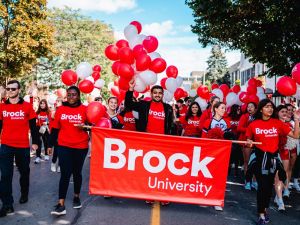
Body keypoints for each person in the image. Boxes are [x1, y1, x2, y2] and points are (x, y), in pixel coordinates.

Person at [246, 99, 300, 225]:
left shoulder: (277, 123)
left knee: (268, 187)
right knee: (262, 186)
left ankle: (264, 210)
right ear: (261, 109)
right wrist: (249, 142)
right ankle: (261, 214)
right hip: (259, 159)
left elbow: (296, 136)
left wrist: (297, 119)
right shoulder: (253, 124)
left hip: (273, 159)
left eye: (271, 107)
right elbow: (249, 140)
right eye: (266, 107)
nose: (270, 109)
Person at [125, 80, 174, 205]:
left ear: (162, 95)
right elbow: (129, 104)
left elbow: (171, 126)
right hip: (147, 142)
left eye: (159, 93)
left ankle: (163, 196)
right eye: (155, 93)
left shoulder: (168, 108)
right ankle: (149, 194)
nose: (157, 95)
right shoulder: (144, 105)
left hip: (163, 143)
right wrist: (130, 89)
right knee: (148, 170)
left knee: (163, 171)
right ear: (151, 94)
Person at [47, 86, 89, 216]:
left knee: (77, 173)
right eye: (69, 94)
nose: (71, 97)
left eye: (74, 94)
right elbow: (55, 129)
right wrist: (50, 145)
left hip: (81, 146)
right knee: (65, 173)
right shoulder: (61, 109)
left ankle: (76, 196)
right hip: (64, 146)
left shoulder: (85, 109)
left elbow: (92, 127)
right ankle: (61, 204)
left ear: (78, 96)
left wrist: (85, 127)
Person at [0, 80, 39, 218]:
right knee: (5, 175)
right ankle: (7, 205)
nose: (10, 91)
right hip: (6, 145)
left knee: (24, 172)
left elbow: (34, 127)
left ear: (19, 90)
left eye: (13, 89)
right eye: (8, 89)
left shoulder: (27, 107)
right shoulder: (2, 107)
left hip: (22, 146)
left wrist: (35, 142)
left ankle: (24, 192)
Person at [201, 101, 231, 211]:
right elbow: (203, 138)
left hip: (222, 152)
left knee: (220, 176)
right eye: (222, 108)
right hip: (210, 151)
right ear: (216, 109)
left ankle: (216, 199)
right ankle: (205, 196)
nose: (224, 110)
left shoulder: (227, 122)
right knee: (208, 175)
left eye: (225, 108)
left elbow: (229, 138)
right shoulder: (208, 122)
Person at [238, 102, 257, 190]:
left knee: (256, 163)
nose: (249, 108)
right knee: (247, 162)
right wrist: (251, 130)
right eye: (248, 106)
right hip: (245, 141)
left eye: (251, 106)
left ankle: (254, 181)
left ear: (256, 108)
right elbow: (239, 128)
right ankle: (247, 181)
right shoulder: (244, 116)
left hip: (257, 142)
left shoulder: (259, 117)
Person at [228, 104, 243, 177]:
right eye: (238, 109)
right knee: (230, 156)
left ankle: (236, 171)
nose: (239, 111)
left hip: (238, 138)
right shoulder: (229, 117)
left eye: (240, 109)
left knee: (237, 155)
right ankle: (228, 171)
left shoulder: (241, 117)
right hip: (230, 139)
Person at [35, 99, 51, 164]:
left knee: (46, 142)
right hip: (38, 128)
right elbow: (34, 120)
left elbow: (50, 121)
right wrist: (36, 118)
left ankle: (46, 154)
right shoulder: (37, 112)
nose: (42, 105)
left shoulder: (48, 112)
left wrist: (47, 123)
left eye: (43, 103)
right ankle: (38, 156)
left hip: (45, 128)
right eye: (41, 104)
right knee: (38, 142)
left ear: (46, 104)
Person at [50, 97, 63, 173]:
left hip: (63, 133)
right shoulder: (54, 111)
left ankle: (60, 165)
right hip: (55, 132)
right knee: (56, 150)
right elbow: (52, 121)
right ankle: (53, 163)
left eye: (59, 101)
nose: (57, 102)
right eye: (57, 101)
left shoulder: (65, 110)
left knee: (62, 151)